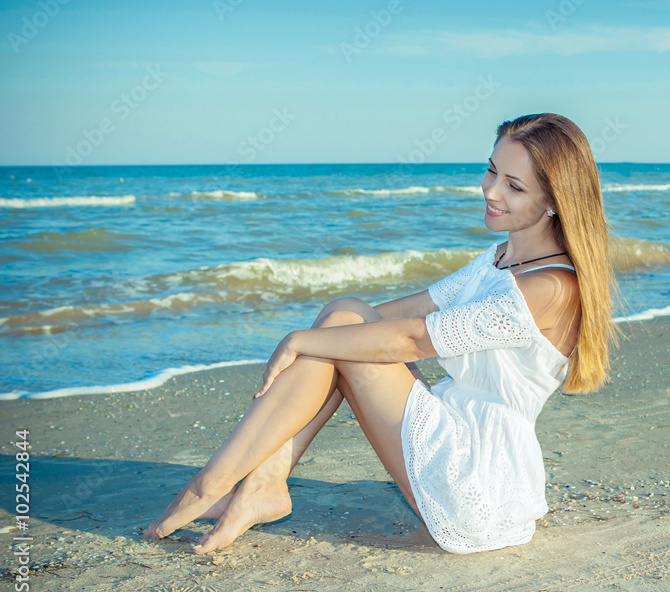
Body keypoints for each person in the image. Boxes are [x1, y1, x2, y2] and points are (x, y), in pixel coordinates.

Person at [143, 113, 618, 555]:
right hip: (456, 437)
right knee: (345, 315)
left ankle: (216, 484)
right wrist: (330, 329)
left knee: (341, 330)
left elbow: (412, 339)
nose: (491, 191)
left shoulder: (551, 286)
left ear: (555, 201)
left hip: (477, 478)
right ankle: (259, 483)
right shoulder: (497, 257)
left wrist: (299, 340)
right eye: (491, 171)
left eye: (513, 186)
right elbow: (409, 309)